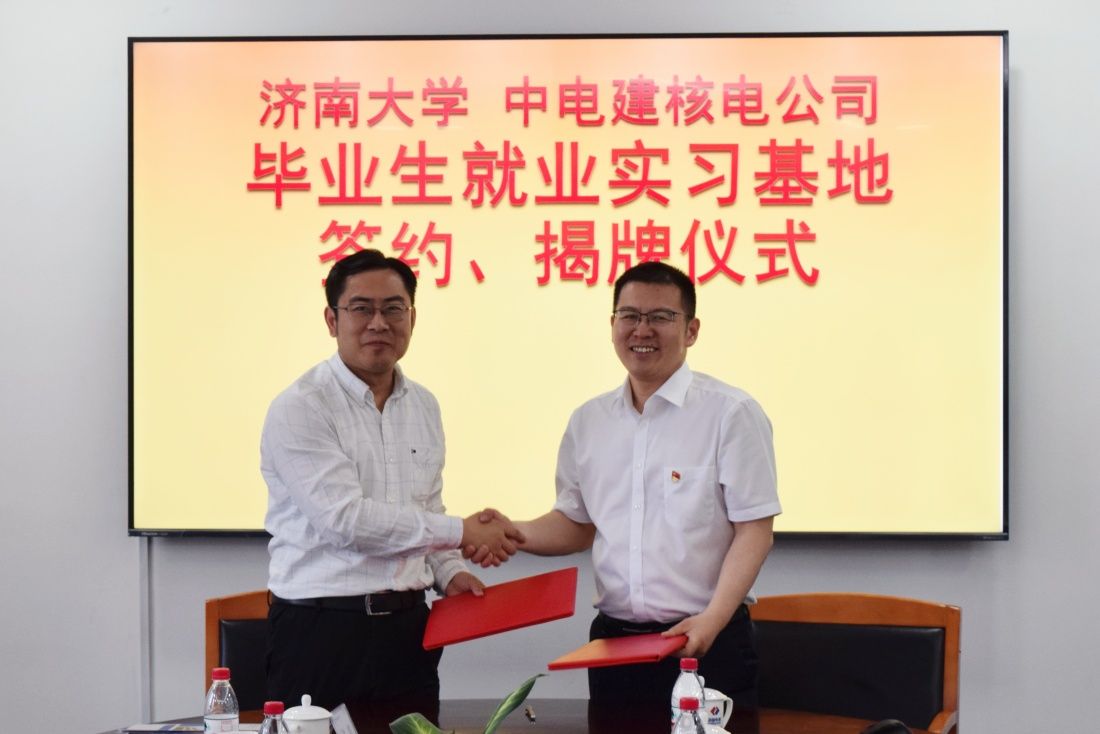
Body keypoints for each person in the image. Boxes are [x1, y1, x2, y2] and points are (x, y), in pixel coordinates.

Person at [500, 261, 781, 707]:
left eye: (660, 317)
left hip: (706, 641)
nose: (642, 330)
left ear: (691, 330)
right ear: (613, 325)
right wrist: (508, 532)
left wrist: (711, 621)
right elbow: (576, 523)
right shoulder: (589, 421)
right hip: (614, 646)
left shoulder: (731, 413)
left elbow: (755, 530)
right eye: (629, 316)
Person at [261, 248, 523, 710]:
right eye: (361, 308)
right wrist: (463, 532)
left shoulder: (424, 405)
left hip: (408, 632)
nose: (378, 323)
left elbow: (426, 510)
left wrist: (452, 573)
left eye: (393, 309)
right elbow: (346, 522)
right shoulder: (301, 406)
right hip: (321, 633)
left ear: (412, 318)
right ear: (332, 319)